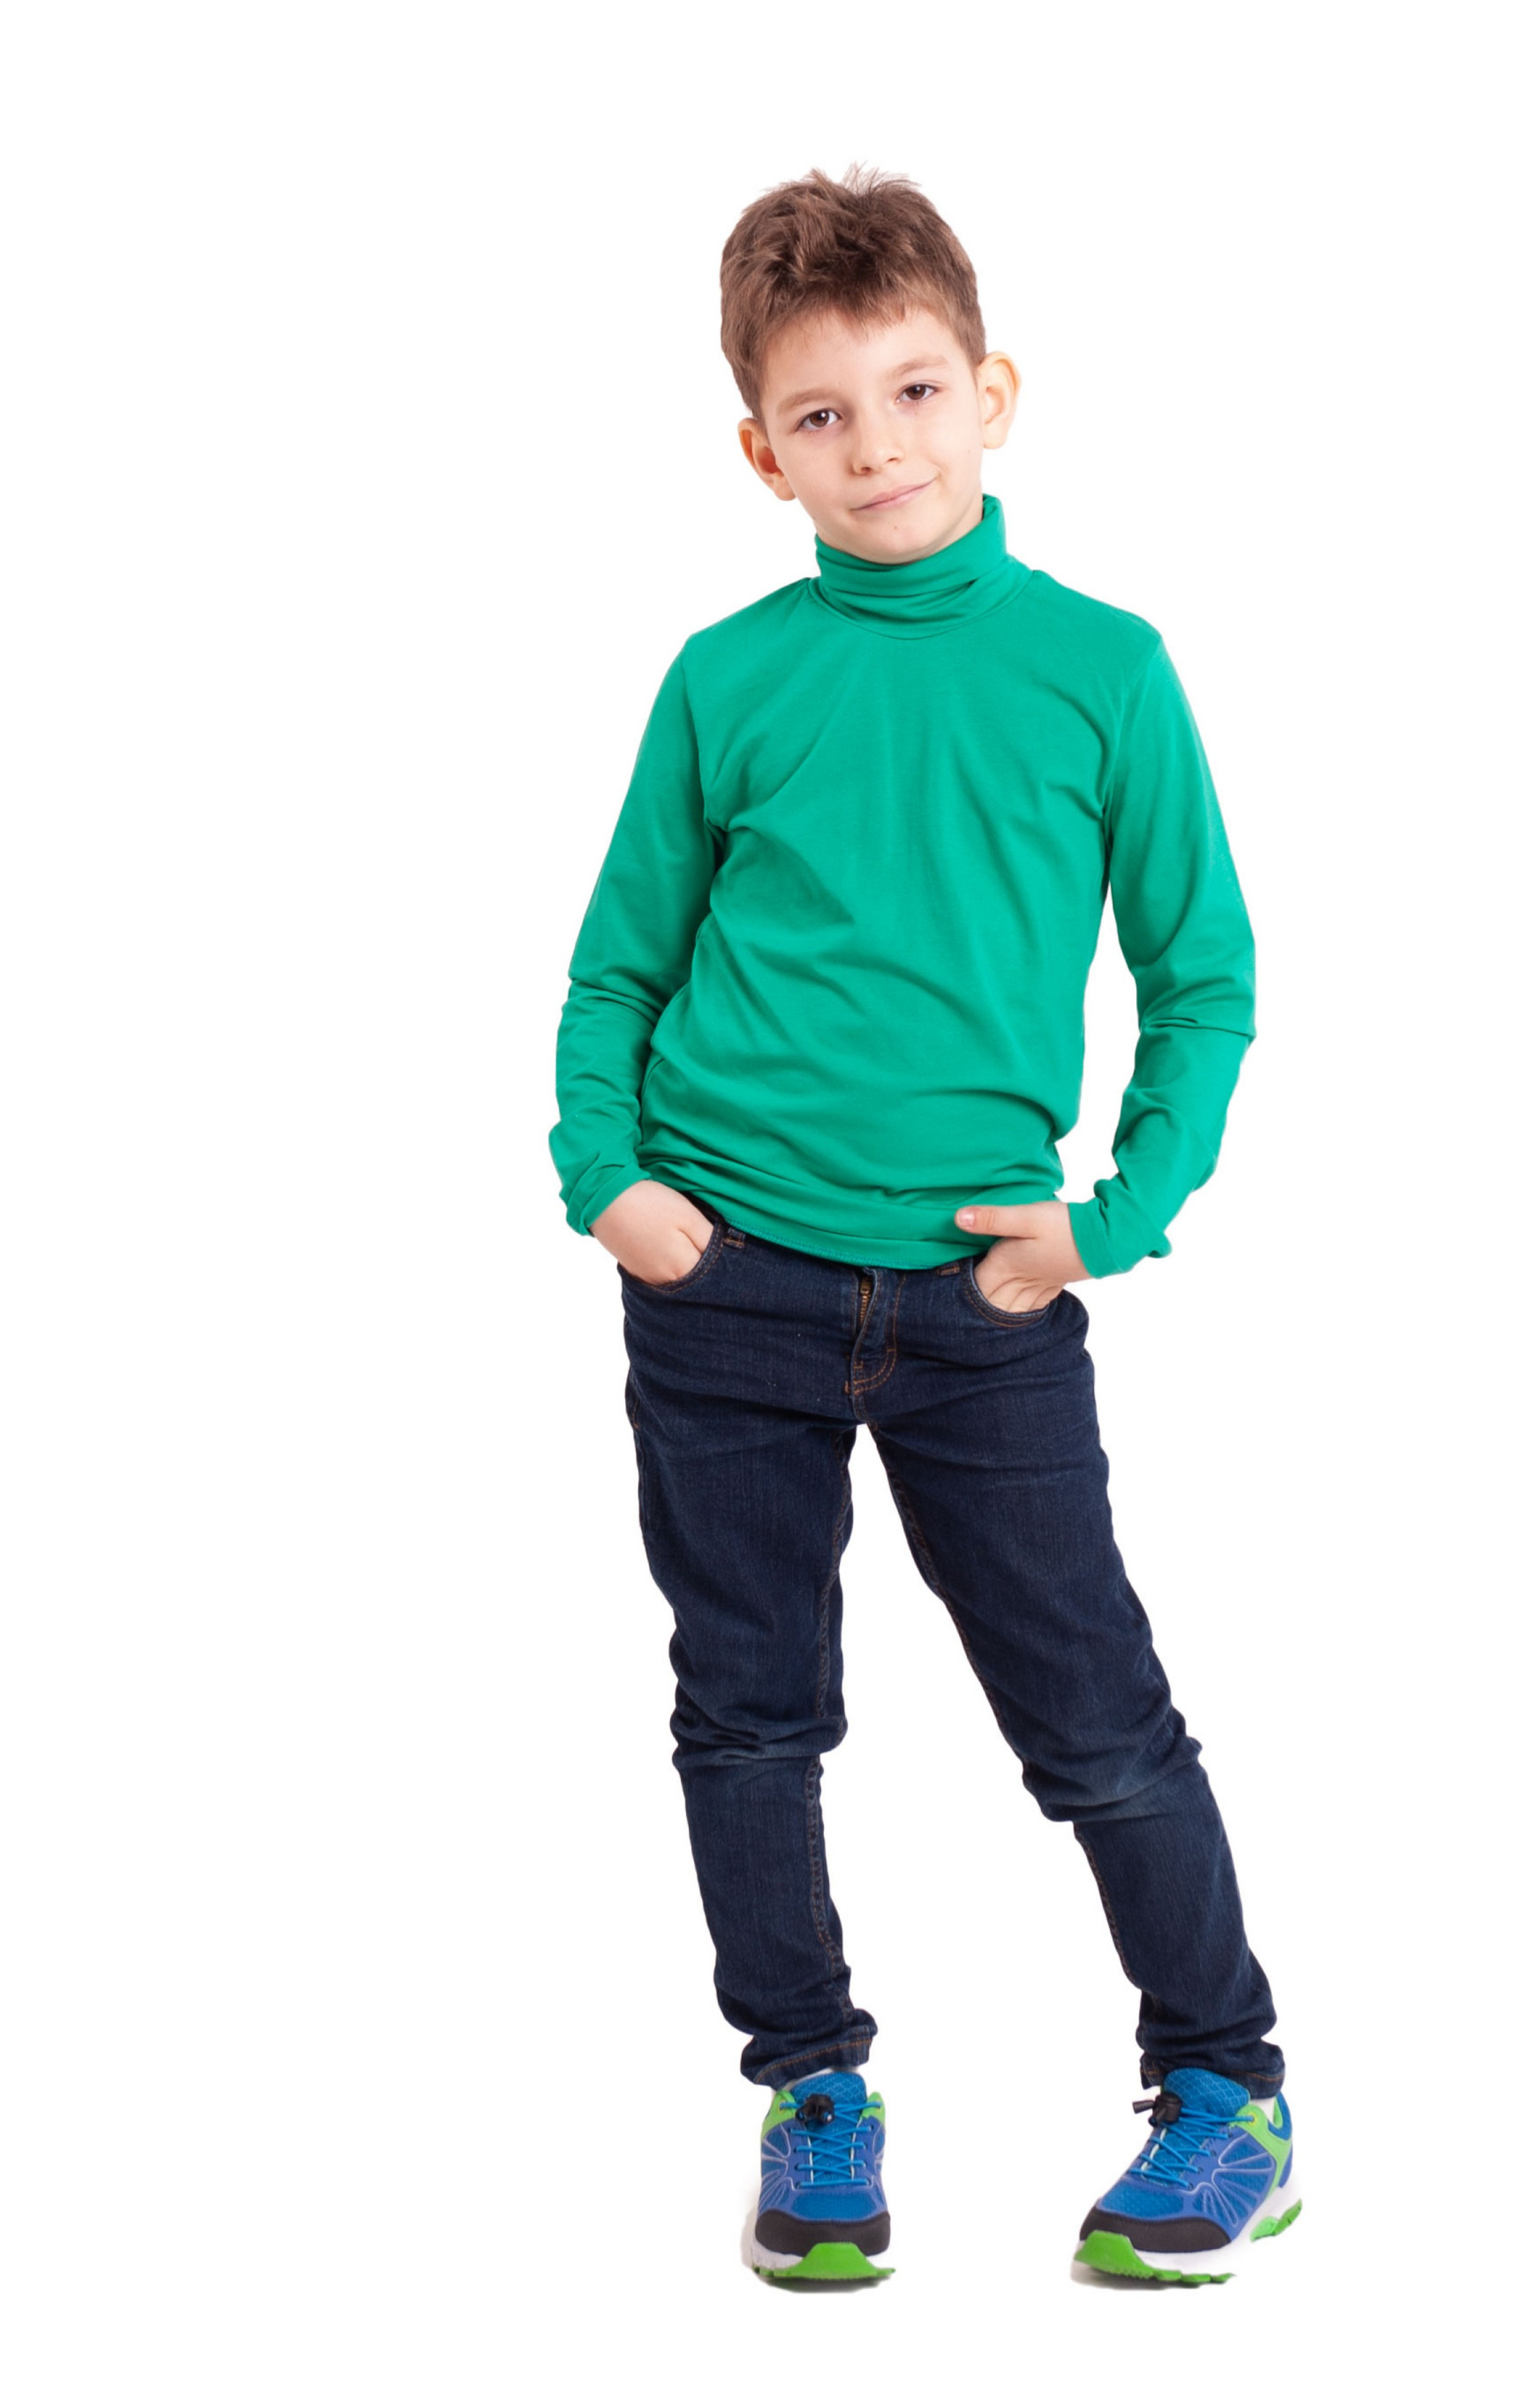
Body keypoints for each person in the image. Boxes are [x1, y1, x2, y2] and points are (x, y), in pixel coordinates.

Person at [550, 162, 1295, 2287]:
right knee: (747, 1713)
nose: (874, 446)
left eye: (909, 393)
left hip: (984, 1302)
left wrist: (1113, 1220)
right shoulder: (727, 679)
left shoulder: (1099, 670)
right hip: (728, 1287)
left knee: (1097, 1718)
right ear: (757, 450)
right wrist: (610, 1183)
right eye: (819, 413)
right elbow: (618, 966)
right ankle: (810, 2086)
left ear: (992, 393)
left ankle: (1225, 2088)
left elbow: (1204, 974)